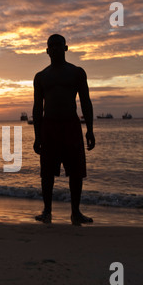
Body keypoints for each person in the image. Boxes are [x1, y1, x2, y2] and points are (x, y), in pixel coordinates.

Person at [32, 34, 95, 226]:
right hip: (49, 126)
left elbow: (85, 102)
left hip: (71, 125)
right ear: (47, 50)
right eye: (52, 46)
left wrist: (90, 130)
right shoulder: (41, 76)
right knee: (47, 173)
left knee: (76, 172)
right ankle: (47, 212)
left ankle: (76, 212)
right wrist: (37, 136)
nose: (55, 49)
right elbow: (37, 107)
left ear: (65, 48)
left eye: (59, 45)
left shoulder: (76, 73)